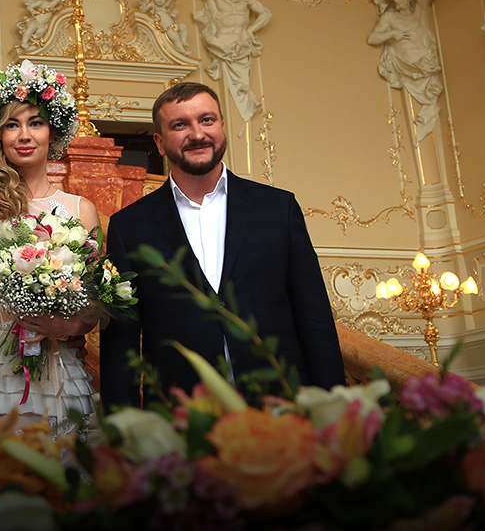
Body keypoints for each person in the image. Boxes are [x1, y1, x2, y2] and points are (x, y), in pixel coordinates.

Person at [99, 81, 344, 409]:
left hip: (282, 405)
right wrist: (124, 426)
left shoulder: (278, 209)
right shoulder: (130, 226)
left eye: (207, 120)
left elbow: (314, 318)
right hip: (181, 415)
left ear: (222, 126)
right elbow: (121, 342)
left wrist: (334, 410)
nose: (197, 134)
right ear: (159, 142)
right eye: (180, 125)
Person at [0, 60, 99, 435]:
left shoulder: (80, 209)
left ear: (53, 131)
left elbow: (94, 303)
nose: (24, 135)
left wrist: (64, 325)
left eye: (35, 123)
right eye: (11, 125)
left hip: (57, 366)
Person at [193, 0, 272, 125]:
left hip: (242, 49)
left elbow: (266, 14)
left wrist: (250, 30)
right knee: (228, 95)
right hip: (223, 47)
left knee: (244, 92)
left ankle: (241, 122)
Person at [367, 0, 442, 141]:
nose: (397, 1)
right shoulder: (390, 17)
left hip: (427, 66)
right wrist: (392, 34)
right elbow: (372, 38)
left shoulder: (420, 12)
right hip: (408, 67)